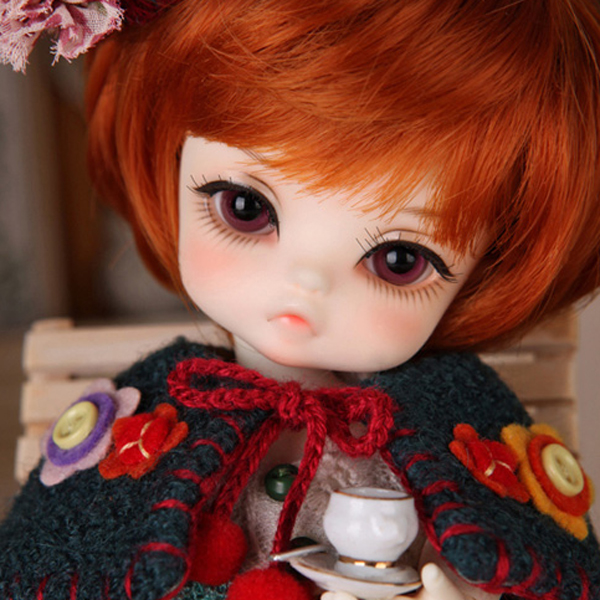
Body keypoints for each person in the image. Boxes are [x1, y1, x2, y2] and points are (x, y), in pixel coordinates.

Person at [1, 1, 600, 599]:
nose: (306, 283)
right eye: (244, 207)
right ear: (169, 160)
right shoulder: (152, 409)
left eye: (399, 260)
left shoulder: (456, 423)